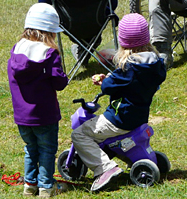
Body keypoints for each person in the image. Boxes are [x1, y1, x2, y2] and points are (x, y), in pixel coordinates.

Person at [71, 13, 167, 192]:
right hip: (139, 116)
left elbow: (109, 87)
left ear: (123, 42)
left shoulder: (128, 67)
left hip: (119, 118)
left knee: (80, 135)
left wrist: (104, 80)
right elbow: (130, 84)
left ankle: (104, 168)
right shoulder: (155, 65)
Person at [7, 3, 69, 197]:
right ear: (49, 32)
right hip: (45, 115)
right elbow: (59, 83)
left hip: (22, 115)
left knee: (30, 149)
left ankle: (30, 185)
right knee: (47, 150)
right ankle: (46, 187)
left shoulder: (17, 50)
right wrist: (63, 77)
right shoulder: (49, 54)